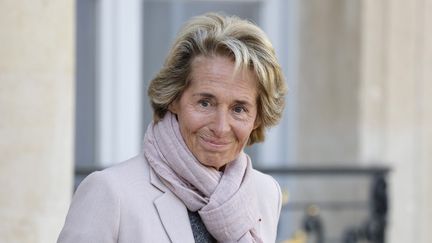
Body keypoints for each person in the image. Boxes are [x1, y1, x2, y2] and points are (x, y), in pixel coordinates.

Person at [58, 12, 287, 243]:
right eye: (205, 103)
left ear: (258, 117)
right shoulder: (110, 192)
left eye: (239, 109)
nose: (220, 127)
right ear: (174, 99)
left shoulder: (265, 193)